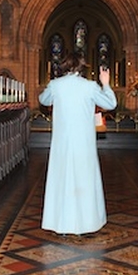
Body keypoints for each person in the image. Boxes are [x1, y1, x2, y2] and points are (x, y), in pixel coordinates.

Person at [38, 52, 117, 235]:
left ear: (64, 66)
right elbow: (110, 104)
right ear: (82, 67)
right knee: (84, 180)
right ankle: (86, 224)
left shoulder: (56, 85)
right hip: (84, 143)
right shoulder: (89, 86)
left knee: (62, 180)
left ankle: (61, 224)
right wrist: (105, 84)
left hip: (62, 143)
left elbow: (43, 100)